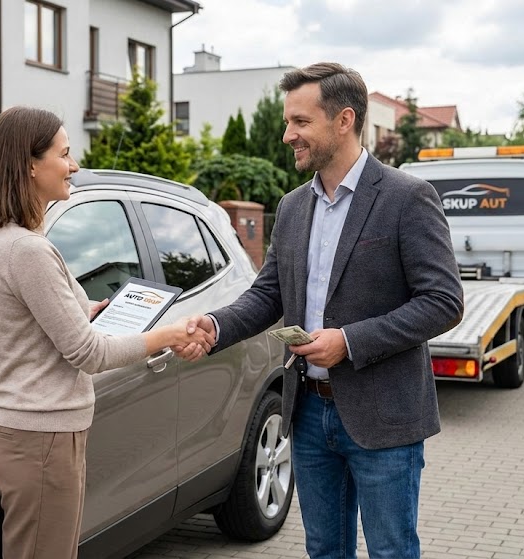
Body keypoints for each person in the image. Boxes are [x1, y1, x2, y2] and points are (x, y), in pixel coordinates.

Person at [178, 63, 464, 558]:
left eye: (300, 122)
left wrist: (349, 342)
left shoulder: (407, 197)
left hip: (384, 417)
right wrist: (214, 325)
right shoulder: (291, 207)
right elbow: (267, 295)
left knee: (392, 550)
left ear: (344, 120)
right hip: (307, 411)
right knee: (324, 550)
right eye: (288, 122)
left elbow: (443, 302)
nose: (288, 134)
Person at [0, 106, 212, 559]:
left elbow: (40, 320)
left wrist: (90, 309)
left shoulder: (6, 239)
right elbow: (89, 354)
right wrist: (168, 335)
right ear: (29, 164)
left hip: (33, 438)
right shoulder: (28, 250)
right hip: (41, 442)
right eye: (64, 154)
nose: (75, 165)